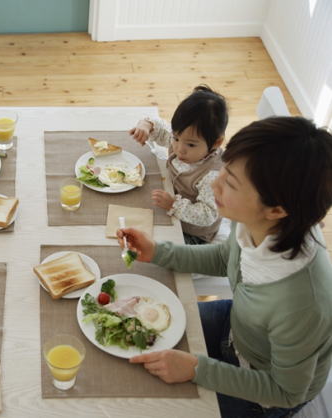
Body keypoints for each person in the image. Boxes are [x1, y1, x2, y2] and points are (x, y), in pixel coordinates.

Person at [118, 116, 332, 417]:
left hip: (264, 395)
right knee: (130, 331)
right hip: (236, 327)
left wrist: (197, 369)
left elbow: (286, 391)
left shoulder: (303, 303)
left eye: (229, 181)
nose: (214, 182)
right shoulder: (258, 224)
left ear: (277, 210)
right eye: (225, 169)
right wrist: (157, 252)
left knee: (155, 405)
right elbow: (224, 258)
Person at [130, 85, 228, 244]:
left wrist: (174, 204)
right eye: (176, 138)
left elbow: (207, 215)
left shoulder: (213, 175)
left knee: (153, 246)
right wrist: (147, 126)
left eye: (191, 145)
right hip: (169, 203)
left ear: (216, 142)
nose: (179, 149)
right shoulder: (182, 140)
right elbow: (162, 131)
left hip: (192, 233)